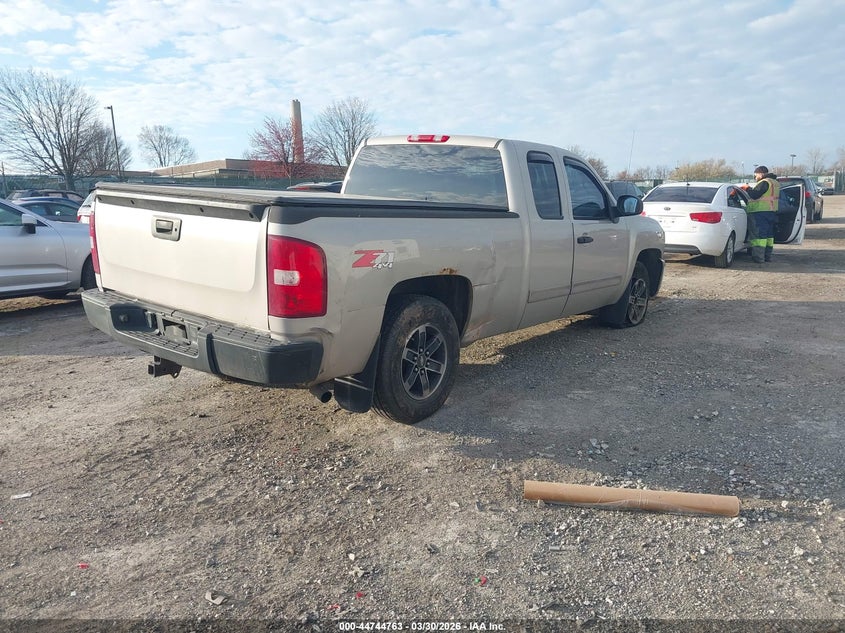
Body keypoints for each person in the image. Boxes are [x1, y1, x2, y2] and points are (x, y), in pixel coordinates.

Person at [742, 166, 779, 263]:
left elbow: (754, 195)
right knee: (769, 236)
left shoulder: (764, 182)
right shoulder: (775, 182)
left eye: (756, 175)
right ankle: (767, 257)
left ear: (761, 174)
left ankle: (758, 258)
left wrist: (747, 188)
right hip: (771, 212)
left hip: (759, 213)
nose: (755, 177)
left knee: (759, 236)